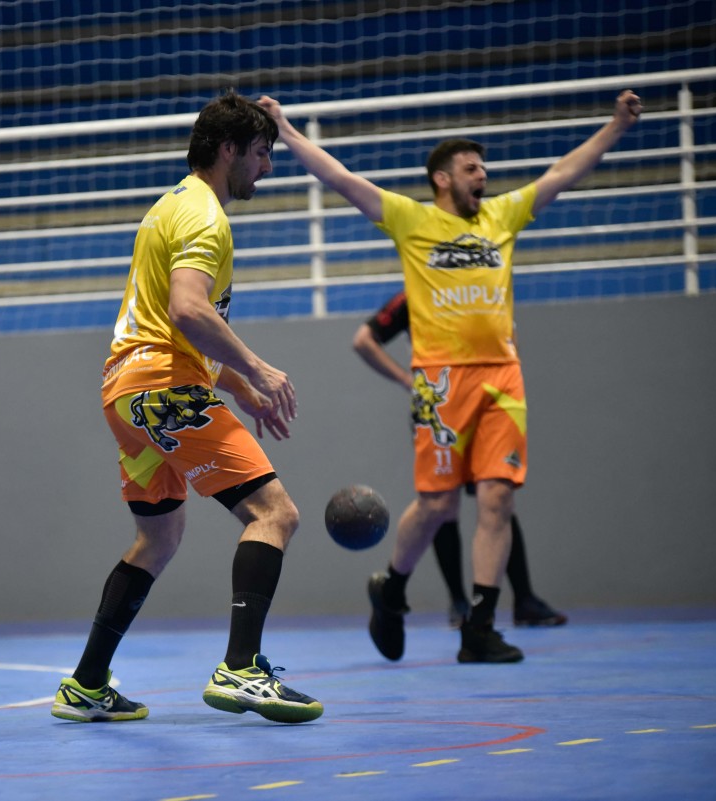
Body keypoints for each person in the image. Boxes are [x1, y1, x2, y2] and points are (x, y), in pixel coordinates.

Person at [260, 90, 641, 663]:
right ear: (442, 179)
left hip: (503, 379)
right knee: (438, 506)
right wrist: (287, 131)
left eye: (483, 168)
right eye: (471, 168)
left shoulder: (502, 216)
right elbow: (340, 178)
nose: (482, 175)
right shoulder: (412, 220)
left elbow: (562, 173)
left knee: (497, 500)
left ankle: (479, 629)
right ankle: (391, 588)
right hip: (440, 385)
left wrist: (615, 127)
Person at [51, 90, 323, 724]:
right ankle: (241, 669)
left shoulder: (170, 204)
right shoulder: (205, 217)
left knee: (159, 536)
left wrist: (234, 384)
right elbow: (187, 310)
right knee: (274, 513)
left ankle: (86, 685)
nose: (268, 167)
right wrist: (257, 368)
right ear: (228, 149)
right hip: (164, 389)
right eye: (262, 153)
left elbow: (163, 323)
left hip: (126, 391)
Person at [353, 291, 568, 628]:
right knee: (442, 503)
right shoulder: (416, 294)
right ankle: (457, 601)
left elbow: (509, 335)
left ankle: (522, 598)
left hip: (488, 401)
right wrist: (407, 380)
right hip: (441, 407)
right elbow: (364, 340)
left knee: (496, 496)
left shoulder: (485, 289)